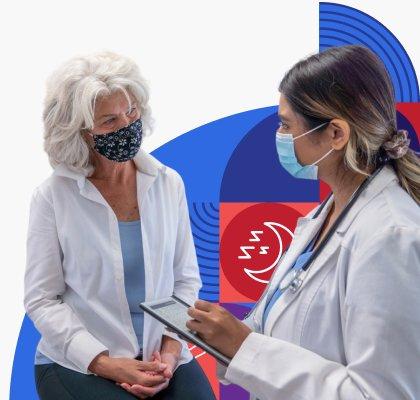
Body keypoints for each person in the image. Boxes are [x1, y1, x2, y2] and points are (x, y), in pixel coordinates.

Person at [186, 45, 420, 400]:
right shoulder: (326, 214)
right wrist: (225, 336)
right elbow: (287, 331)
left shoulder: (390, 237)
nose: (279, 136)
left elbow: (381, 394)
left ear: (336, 135)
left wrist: (246, 348)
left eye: (285, 124)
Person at [24, 51, 215, 400]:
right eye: (109, 121)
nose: (126, 126)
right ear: (82, 133)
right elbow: (42, 300)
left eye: (131, 112)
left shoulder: (167, 183)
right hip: (78, 360)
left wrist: (170, 354)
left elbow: (185, 281)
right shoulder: (53, 197)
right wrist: (106, 363)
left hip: (161, 353)